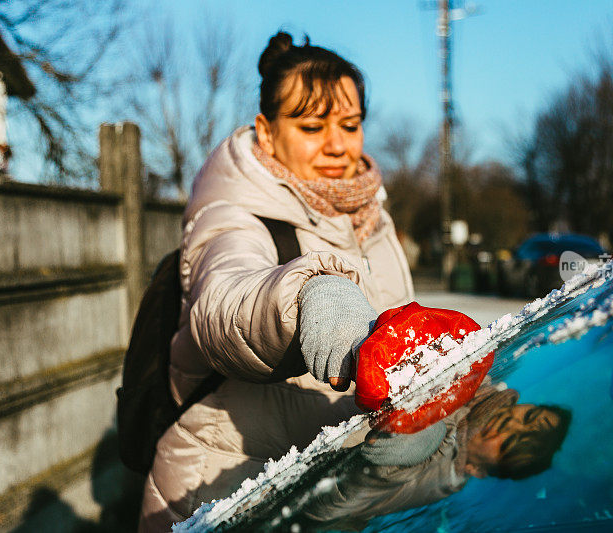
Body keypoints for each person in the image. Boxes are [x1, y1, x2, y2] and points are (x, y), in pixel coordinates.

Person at [138, 31, 414, 531]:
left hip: (330, 493)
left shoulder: (371, 217)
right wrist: (312, 293)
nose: (337, 145)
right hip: (226, 492)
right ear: (266, 132)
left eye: (350, 125)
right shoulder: (233, 212)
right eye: (312, 126)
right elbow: (221, 305)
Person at [298, 386, 572, 530]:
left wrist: (405, 453)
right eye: (530, 418)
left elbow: (326, 506)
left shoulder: (438, 475)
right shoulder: (477, 374)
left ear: (476, 470)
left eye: (509, 443)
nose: (511, 424)